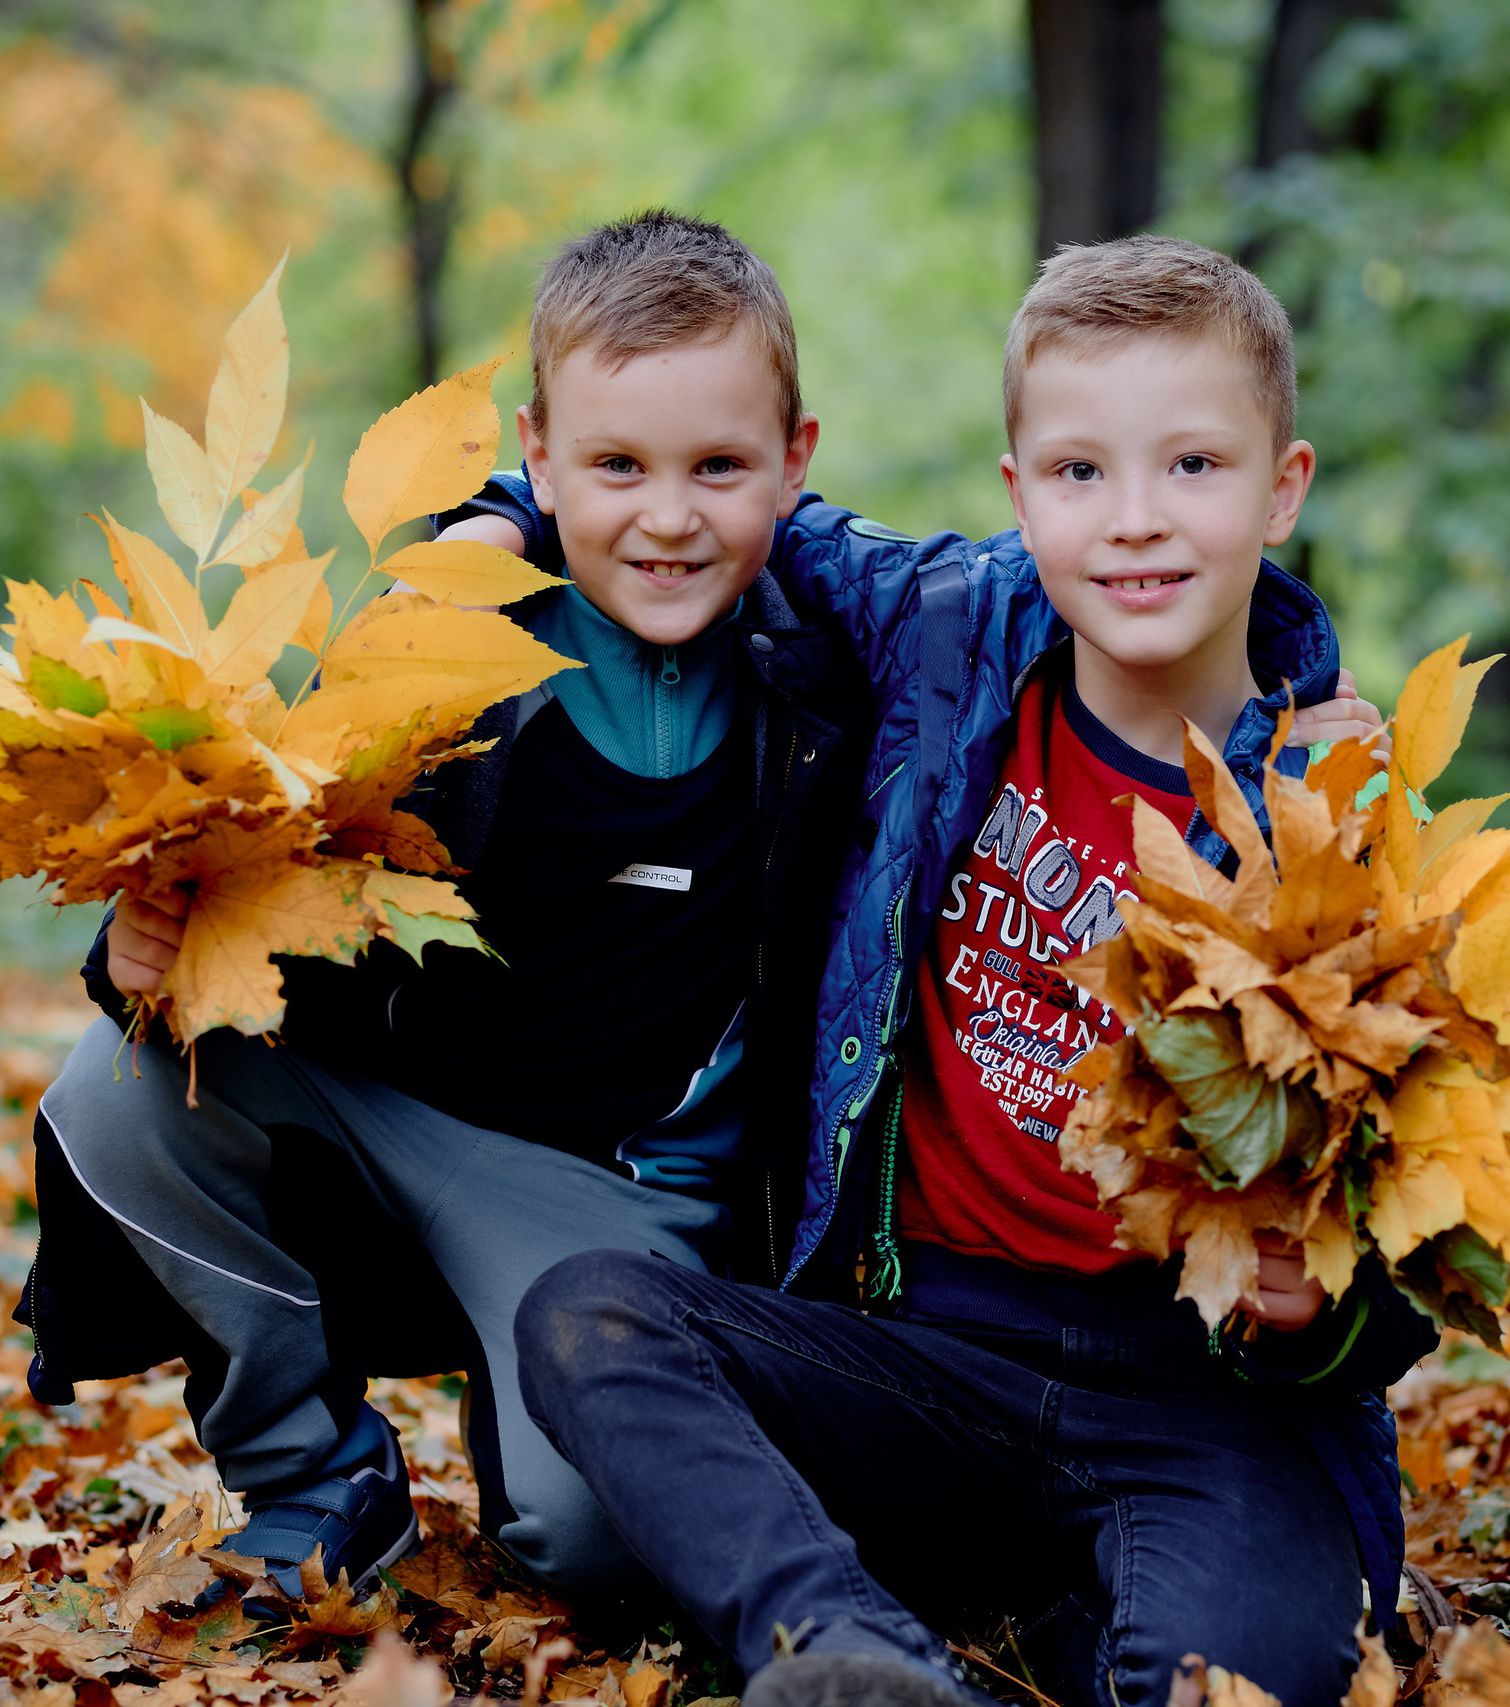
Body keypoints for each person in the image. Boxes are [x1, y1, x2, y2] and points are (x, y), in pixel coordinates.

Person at [499, 237, 1441, 1707]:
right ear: (1019, 498)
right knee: (592, 1316)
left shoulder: (1347, 819)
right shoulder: (944, 632)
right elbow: (707, 502)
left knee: (1226, 1689)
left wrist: (1324, 1316)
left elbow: (1434, 1233)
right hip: (922, 1360)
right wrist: (500, 517)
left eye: (1193, 467)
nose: (1134, 523)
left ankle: (1062, 1626)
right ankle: (847, 1655)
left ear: (1283, 485)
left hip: (1200, 1406)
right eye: (1080, 474)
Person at [13, 212, 878, 1601]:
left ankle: (529, 1395)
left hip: (610, 1197)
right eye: (615, 466)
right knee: (119, 1088)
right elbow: (251, 862)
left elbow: (1047, 609)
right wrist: (145, 950)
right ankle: (316, 1479)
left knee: (601, 1553)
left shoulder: (831, 678)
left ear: (795, 459)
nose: (668, 515)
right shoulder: (428, 650)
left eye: (718, 466)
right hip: (384, 1110)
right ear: (536, 455)